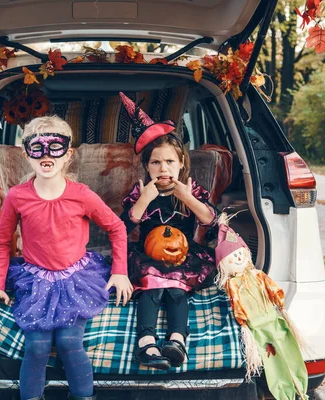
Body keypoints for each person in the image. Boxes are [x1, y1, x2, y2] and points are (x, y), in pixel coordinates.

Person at [0, 115, 133, 400]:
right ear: (27, 154)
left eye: (56, 146)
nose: (46, 155)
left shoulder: (82, 195)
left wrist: (120, 271)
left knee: (68, 342)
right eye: (37, 147)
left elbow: (116, 227)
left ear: (68, 155)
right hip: (35, 280)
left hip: (76, 281)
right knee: (37, 347)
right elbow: (1, 242)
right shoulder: (17, 196)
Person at [118, 92, 220, 370]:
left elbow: (212, 221)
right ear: (147, 166)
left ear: (181, 164)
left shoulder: (191, 190)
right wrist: (143, 200)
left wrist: (187, 198)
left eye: (170, 162)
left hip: (183, 255)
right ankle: (146, 343)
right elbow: (121, 228)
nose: (163, 168)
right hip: (147, 254)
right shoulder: (142, 192)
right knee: (150, 287)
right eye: (156, 163)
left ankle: (177, 340)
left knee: (176, 289)